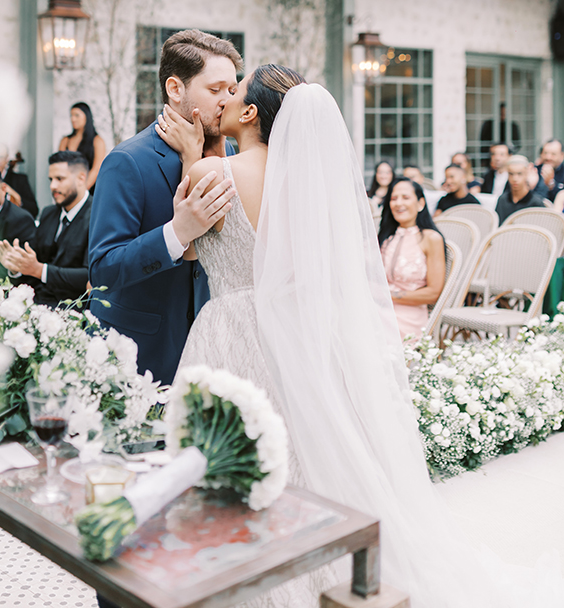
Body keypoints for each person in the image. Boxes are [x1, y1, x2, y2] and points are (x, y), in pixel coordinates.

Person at [159, 74, 561, 608]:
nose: (226, 99)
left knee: (227, 464)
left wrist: (193, 156)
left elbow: (189, 248)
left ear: (252, 114)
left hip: (229, 330)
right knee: (297, 462)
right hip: (293, 334)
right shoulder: (302, 187)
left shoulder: (212, 170)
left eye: (236, 93)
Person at [88, 29, 241, 386]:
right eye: (215, 89)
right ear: (176, 90)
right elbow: (102, 270)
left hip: (217, 348)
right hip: (143, 354)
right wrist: (176, 233)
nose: (226, 101)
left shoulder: (232, 154)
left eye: (232, 90)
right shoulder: (127, 161)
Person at [0, 151, 92, 307]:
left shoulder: (98, 216)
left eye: (60, 179)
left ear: (81, 178)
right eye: (51, 179)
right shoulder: (48, 213)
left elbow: (90, 275)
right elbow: (34, 262)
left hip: (75, 312)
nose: (53, 186)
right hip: (37, 306)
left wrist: (40, 270)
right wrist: (16, 267)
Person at [378, 177, 446, 339]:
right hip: (380, 307)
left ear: (421, 203)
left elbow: (433, 293)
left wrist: (388, 296)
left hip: (408, 316)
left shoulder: (431, 238)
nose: (398, 203)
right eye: (394, 199)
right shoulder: (387, 238)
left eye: (406, 197)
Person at [59, 102, 106, 192]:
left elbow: (96, 169)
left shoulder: (97, 141)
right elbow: (60, 167)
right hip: (68, 189)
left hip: (90, 190)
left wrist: (81, 192)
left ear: (86, 117)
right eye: (71, 115)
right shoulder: (65, 140)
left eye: (77, 115)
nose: (73, 119)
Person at [0, 143, 38, 218]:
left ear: (7, 159)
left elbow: (34, 210)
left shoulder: (20, 179)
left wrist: (15, 197)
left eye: (1, 157)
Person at [495, 154, 546, 224]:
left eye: (519, 174)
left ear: (526, 173)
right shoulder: (502, 200)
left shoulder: (536, 203)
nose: (515, 179)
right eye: (511, 174)